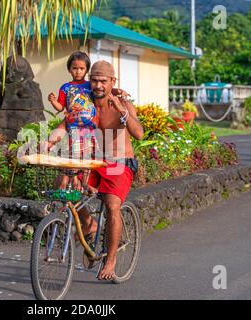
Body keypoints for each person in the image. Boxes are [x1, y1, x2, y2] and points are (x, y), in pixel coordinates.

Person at [81, 60, 144, 281]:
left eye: (103, 81)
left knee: (112, 205)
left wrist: (123, 112)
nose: (98, 85)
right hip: (94, 162)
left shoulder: (122, 103)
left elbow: (139, 133)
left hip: (120, 163)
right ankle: (90, 225)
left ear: (112, 81)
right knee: (66, 191)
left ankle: (111, 260)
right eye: (94, 80)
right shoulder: (84, 102)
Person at [47, 51, 98, 189]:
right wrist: (53, 101)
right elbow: (60, 106)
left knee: (88, 156)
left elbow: (102, 93)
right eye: (75, 68)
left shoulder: (90, 86)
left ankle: (86, 183)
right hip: (74, 128)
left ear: (86, 69)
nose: (78, 71)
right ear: (69, 69)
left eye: (81, 68)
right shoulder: (66, 88)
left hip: (90, 128)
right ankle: (75, 181)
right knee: (75, 155)